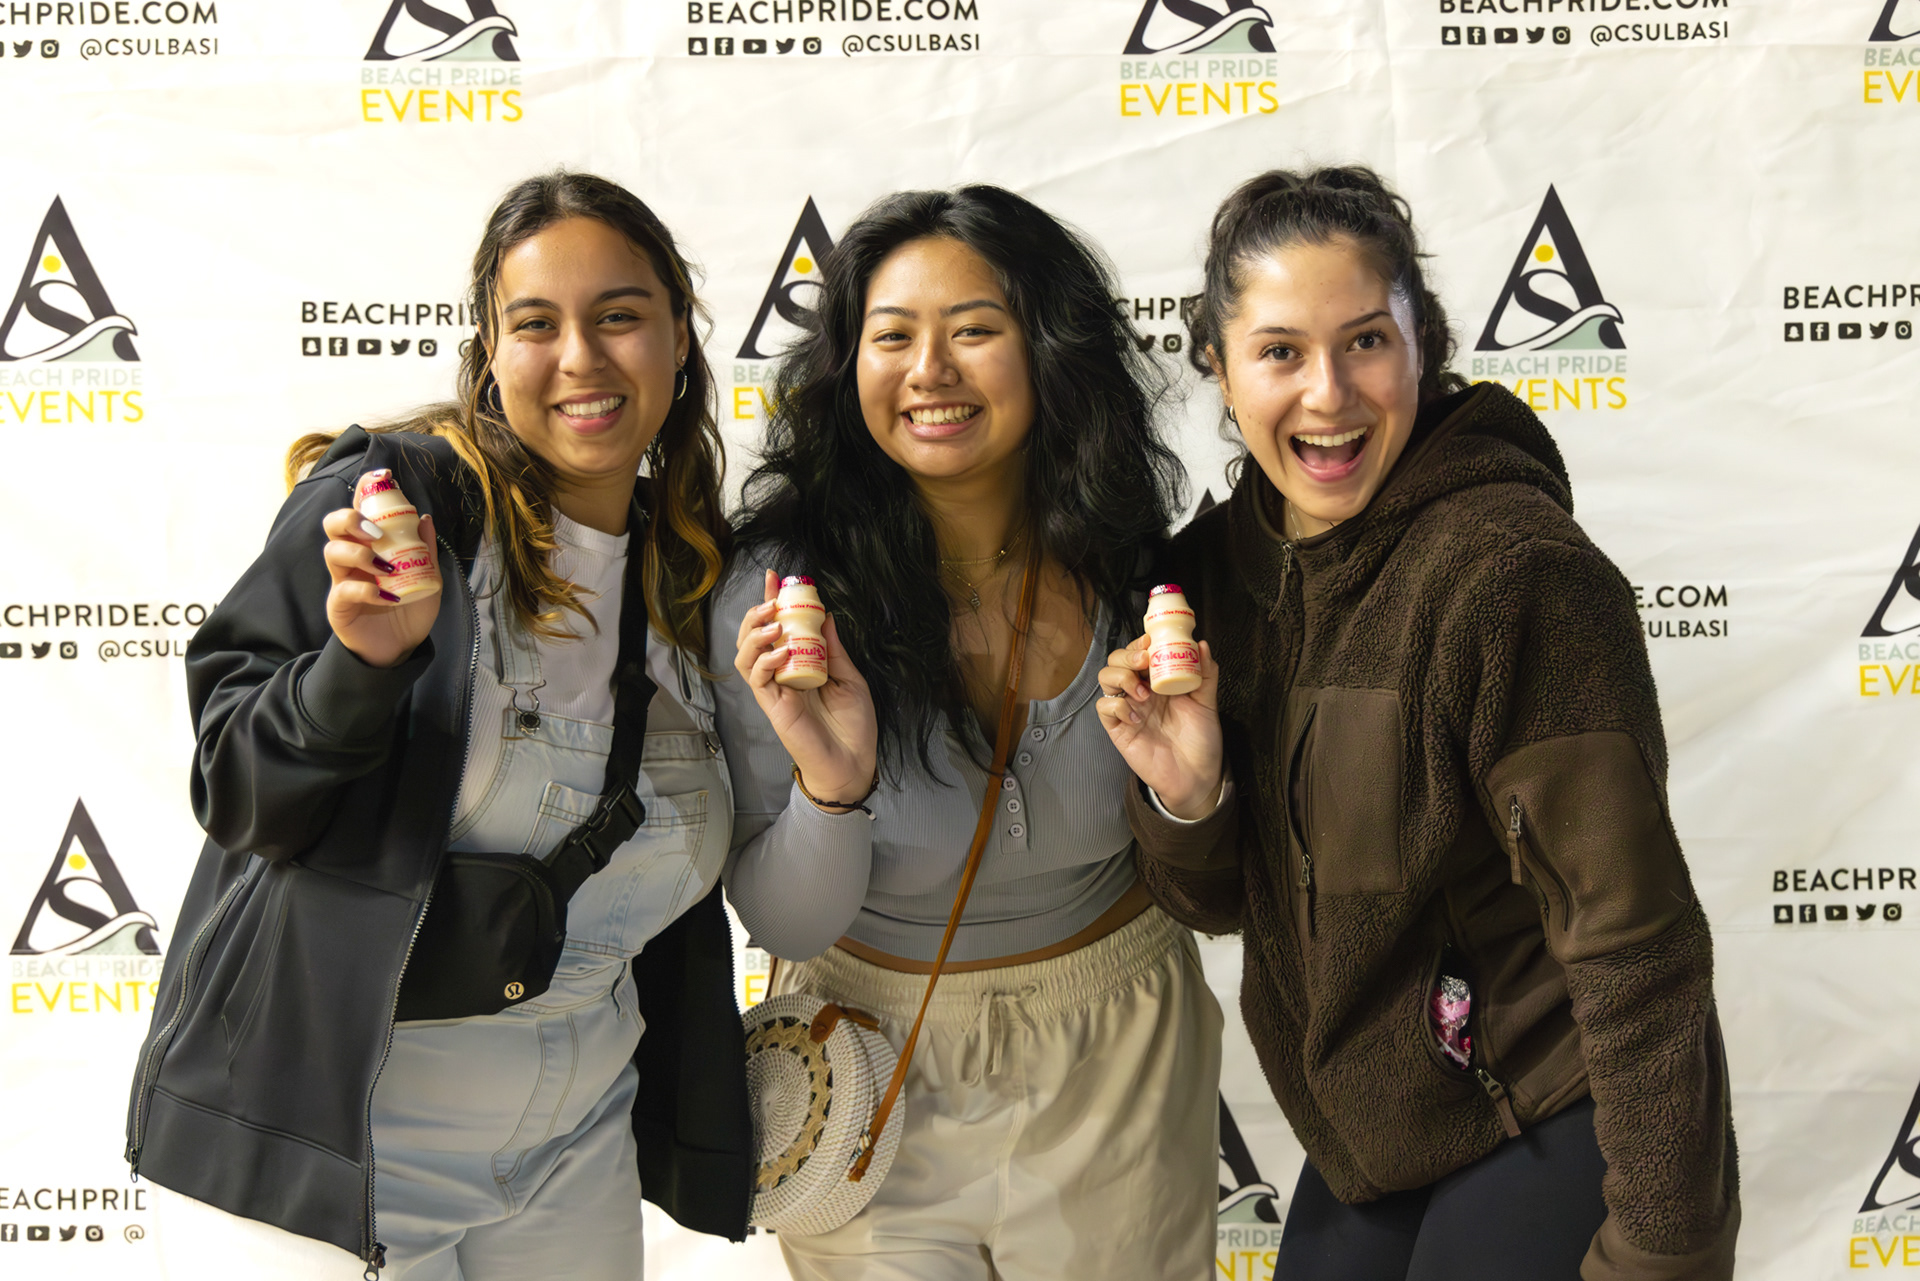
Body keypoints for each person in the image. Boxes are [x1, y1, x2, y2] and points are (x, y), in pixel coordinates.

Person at [1097, 167, 1739, 1280]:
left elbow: (1636, 943)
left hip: (1547, 1098)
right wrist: (1190, 794)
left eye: (1366, 342)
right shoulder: (1209, 584)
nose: (1329, 394)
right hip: (1373, 1136)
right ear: (1219, 364)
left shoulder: (1512, 574)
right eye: (1281, 351)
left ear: (1422, 344)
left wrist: (1663, 1252)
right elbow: (1217, 904)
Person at [124, 172, 752, 1280]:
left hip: (573, 1147)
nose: (581, 357)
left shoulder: (696, 572)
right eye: (536, 323)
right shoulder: (397, 507)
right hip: (336, 1144)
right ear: (489, 354)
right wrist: (360, 665)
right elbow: (239, 790)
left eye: (619, 315)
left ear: (681, 341)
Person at [713, 184, 1223, 1281]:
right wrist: (833, 788)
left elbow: (1220, 881)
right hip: (868, 1064)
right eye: (892, 336)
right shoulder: (778, 597)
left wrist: (1191, 799)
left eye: (975, 331)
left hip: (1120, 1054)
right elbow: (787, 921)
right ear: (847, 367)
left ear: (1049, 351)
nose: (930, 370)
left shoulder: (1139, 567)